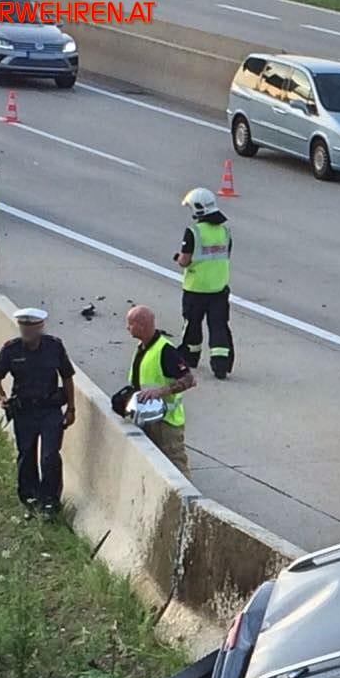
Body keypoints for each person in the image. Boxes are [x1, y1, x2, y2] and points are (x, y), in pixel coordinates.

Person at [0, 308, 75, 517]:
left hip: (50, 409)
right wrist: (1, 398)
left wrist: (71, 408)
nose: (26, 331)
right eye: (23, 327)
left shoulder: (54, 346)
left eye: (31, 327)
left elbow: (67, 377)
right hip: (24, 411)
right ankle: (31, 499)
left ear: (40, 327)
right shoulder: (11, 350)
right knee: (26, 455)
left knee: (49, 456)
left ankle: (50, 501)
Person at [125, 305, 196, 477]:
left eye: (130, 324)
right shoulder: (142, 347)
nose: (127, 328)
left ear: (142, 325)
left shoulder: (165, 350)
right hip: (146, 418)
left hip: (166, 423)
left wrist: (160, 392)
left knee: (176, 468)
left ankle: (186, 502)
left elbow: (189, 379)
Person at [175, 188, 235, 380]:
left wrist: (179, 259)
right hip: (218, 289)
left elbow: (185, 260)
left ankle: (190, 357)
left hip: (196, 289)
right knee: (219, 326)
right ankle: (221, 365)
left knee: (192, 325)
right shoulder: (225, 231)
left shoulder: (193, 232)